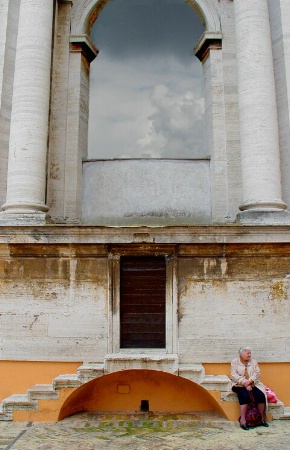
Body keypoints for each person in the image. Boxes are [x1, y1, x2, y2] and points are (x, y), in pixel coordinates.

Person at [231, 347, 269, 430]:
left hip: (253, 384)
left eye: (250, 353)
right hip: (239, 384)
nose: (249, 355)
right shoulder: (234, 362)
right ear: (241, 354)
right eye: (247, 353)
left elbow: (257, 373)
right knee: (244, 395)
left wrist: (250, 381)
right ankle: (243, 420)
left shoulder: (254, 362)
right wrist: (244, 382)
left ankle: (260, 419)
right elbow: (234, 375)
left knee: (260, 395)